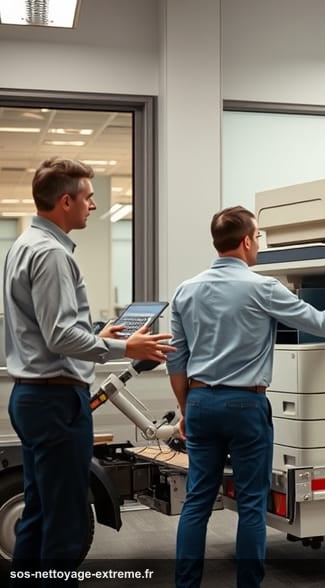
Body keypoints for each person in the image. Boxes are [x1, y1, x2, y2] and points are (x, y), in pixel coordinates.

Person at [168, 206, 325, 588]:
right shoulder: (263, 287)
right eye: (257, 237)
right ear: (245, 241)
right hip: (246, 405)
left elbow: (176, 359)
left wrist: (185, 408)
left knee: (196, 503)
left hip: (200, 403)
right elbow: (323, 325)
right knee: (251, 506)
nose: (257, 243)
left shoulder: (186, 289)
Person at [3, 158, 175, 584]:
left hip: (35, 396)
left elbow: (46, 328)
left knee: (39, 512)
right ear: (66, 201)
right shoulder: (52, 255)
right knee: (64, 522)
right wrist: (124, 345)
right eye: (88, 197)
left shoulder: (24, 245)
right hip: (56, 400)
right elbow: (60, 336)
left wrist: (97, 331)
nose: (93, 205)